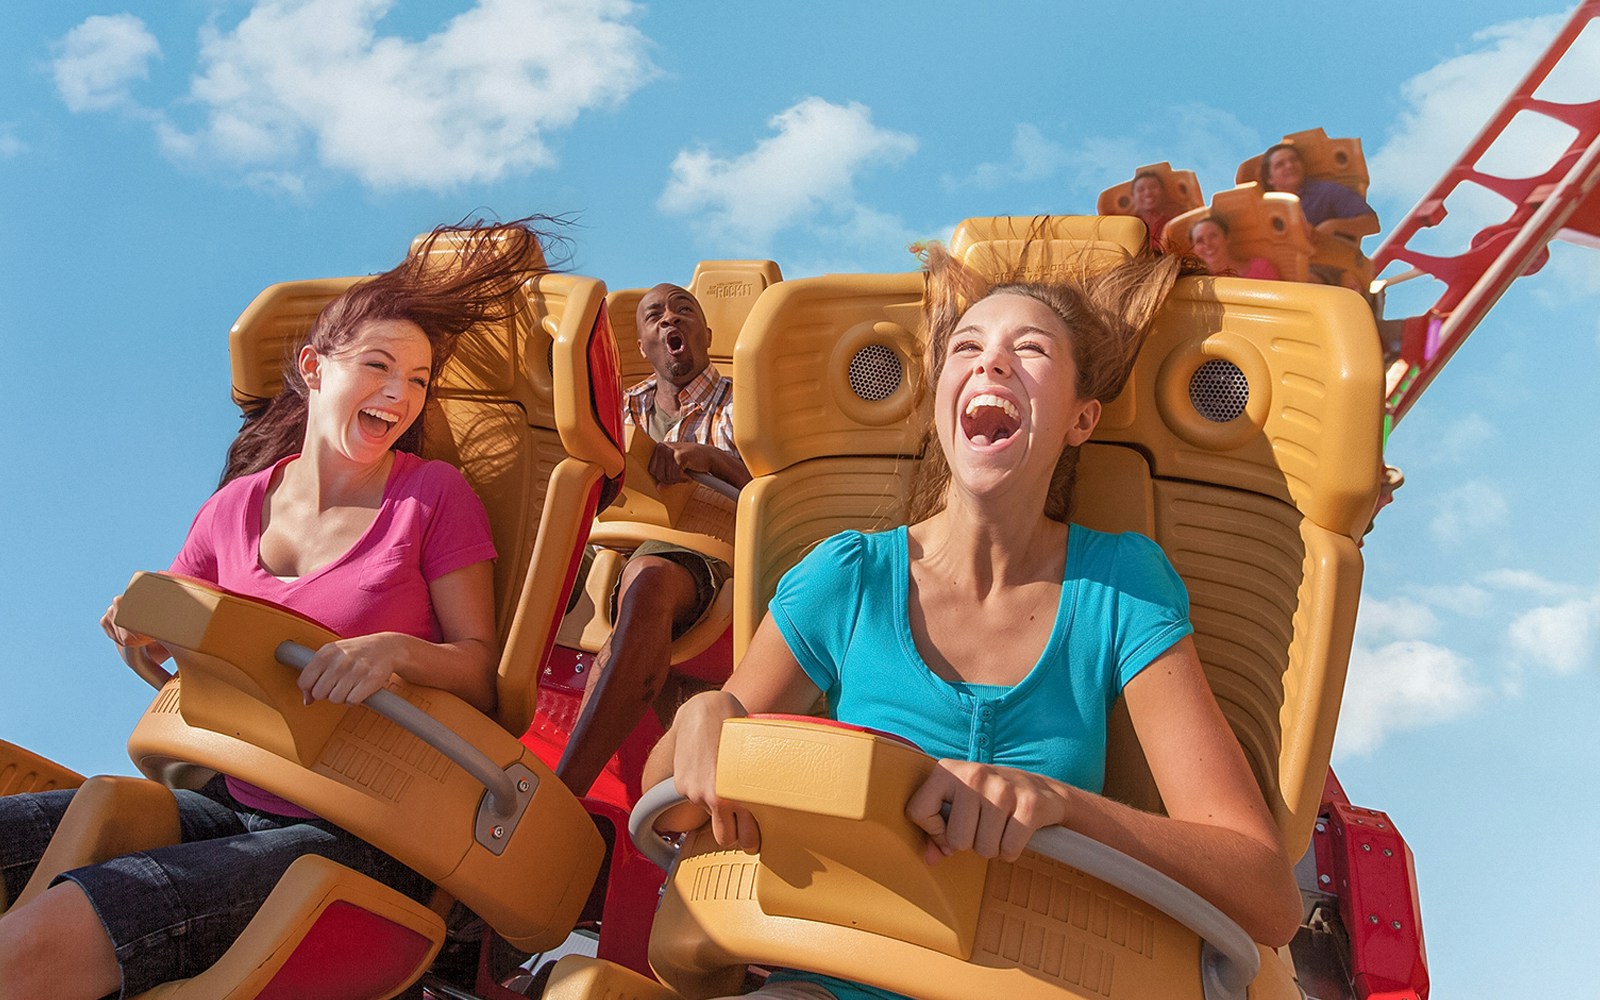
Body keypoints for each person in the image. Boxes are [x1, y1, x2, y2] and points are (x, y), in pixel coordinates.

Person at [643, 237, 1301, 1000]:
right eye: (968, 347)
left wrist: (1062, 807)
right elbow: (669, 807)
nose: (992, 363)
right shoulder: (846, 577)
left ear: (1081, 419)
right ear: (940, 400)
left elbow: (1265, 893)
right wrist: (702, 721)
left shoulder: (1120, 585)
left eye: (1030, 349)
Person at [0, 218, 557, 1000]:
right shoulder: (232, 508)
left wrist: (393, 651)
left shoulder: (432, 497)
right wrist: (134, 618)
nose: (400, 394)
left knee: (61, 932)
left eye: (421, 380)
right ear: (313, 369)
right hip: (227, 794)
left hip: (362, 826)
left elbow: (480, 673)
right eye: (378, 366)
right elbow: (174, 612)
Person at [555, 283, 750, 796]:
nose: (670, 320)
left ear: (706, 334)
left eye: (684, 311)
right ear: (641, 344)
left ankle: (565, 789)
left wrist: (712, 460)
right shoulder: (619, 409)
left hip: (708, 552)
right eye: (655, 316)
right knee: (541, 572)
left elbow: (778, 498)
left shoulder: (744, 401)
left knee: (647, 580)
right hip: (612, 548)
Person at [1258, 142, 1379, 241]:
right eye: (1280, 164)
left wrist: (1333, 226)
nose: (1289, 166)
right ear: (1269, 178)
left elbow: (1372, 224)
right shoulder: (1261, 209)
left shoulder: (1328, 191)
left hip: (1325, 263)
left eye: (1294, 160)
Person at [1189, 215, 1283, 280]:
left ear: (1227, 238)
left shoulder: (1261, 268)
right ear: (1194, 249)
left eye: (1213, 236)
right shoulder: (1198, 286)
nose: (1207, 244)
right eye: (1199, 241)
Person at [1126, 170, 1179, 252]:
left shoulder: (1175, 223)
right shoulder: (1127, 226)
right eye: (1140, 190)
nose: (1147, 193)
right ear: (1133, 197)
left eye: (1153, 187)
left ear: (1163, 192)